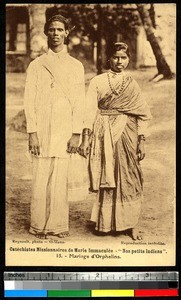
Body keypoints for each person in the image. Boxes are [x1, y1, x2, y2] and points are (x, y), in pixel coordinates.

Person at [79, 42, 152, 240]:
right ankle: (105, 223)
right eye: (116, 57)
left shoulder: (132, 83)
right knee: (108, 175)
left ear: (128, 60)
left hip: (127, 133)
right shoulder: (98, 81)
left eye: (124, 58)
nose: (120, 61)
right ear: (109, 58)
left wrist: (141, 141)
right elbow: (88, 110)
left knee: (129, 176)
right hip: (104, 132)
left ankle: (130, 224)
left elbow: (142, 115)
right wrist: (85, 138)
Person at [24, 15, 85, 239]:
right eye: (52, 30)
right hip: (41, 128)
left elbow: (79, 102)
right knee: (41, 176)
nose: (56, 34)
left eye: (60, 29)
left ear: (67, 33)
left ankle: (58, 225)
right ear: (46, 33)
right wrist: (32, 133)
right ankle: (38, 225)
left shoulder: (75, 66)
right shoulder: (36, 65)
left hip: (64, 128)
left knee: (60, 178)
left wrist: (76, 133)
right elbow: (29, 100)